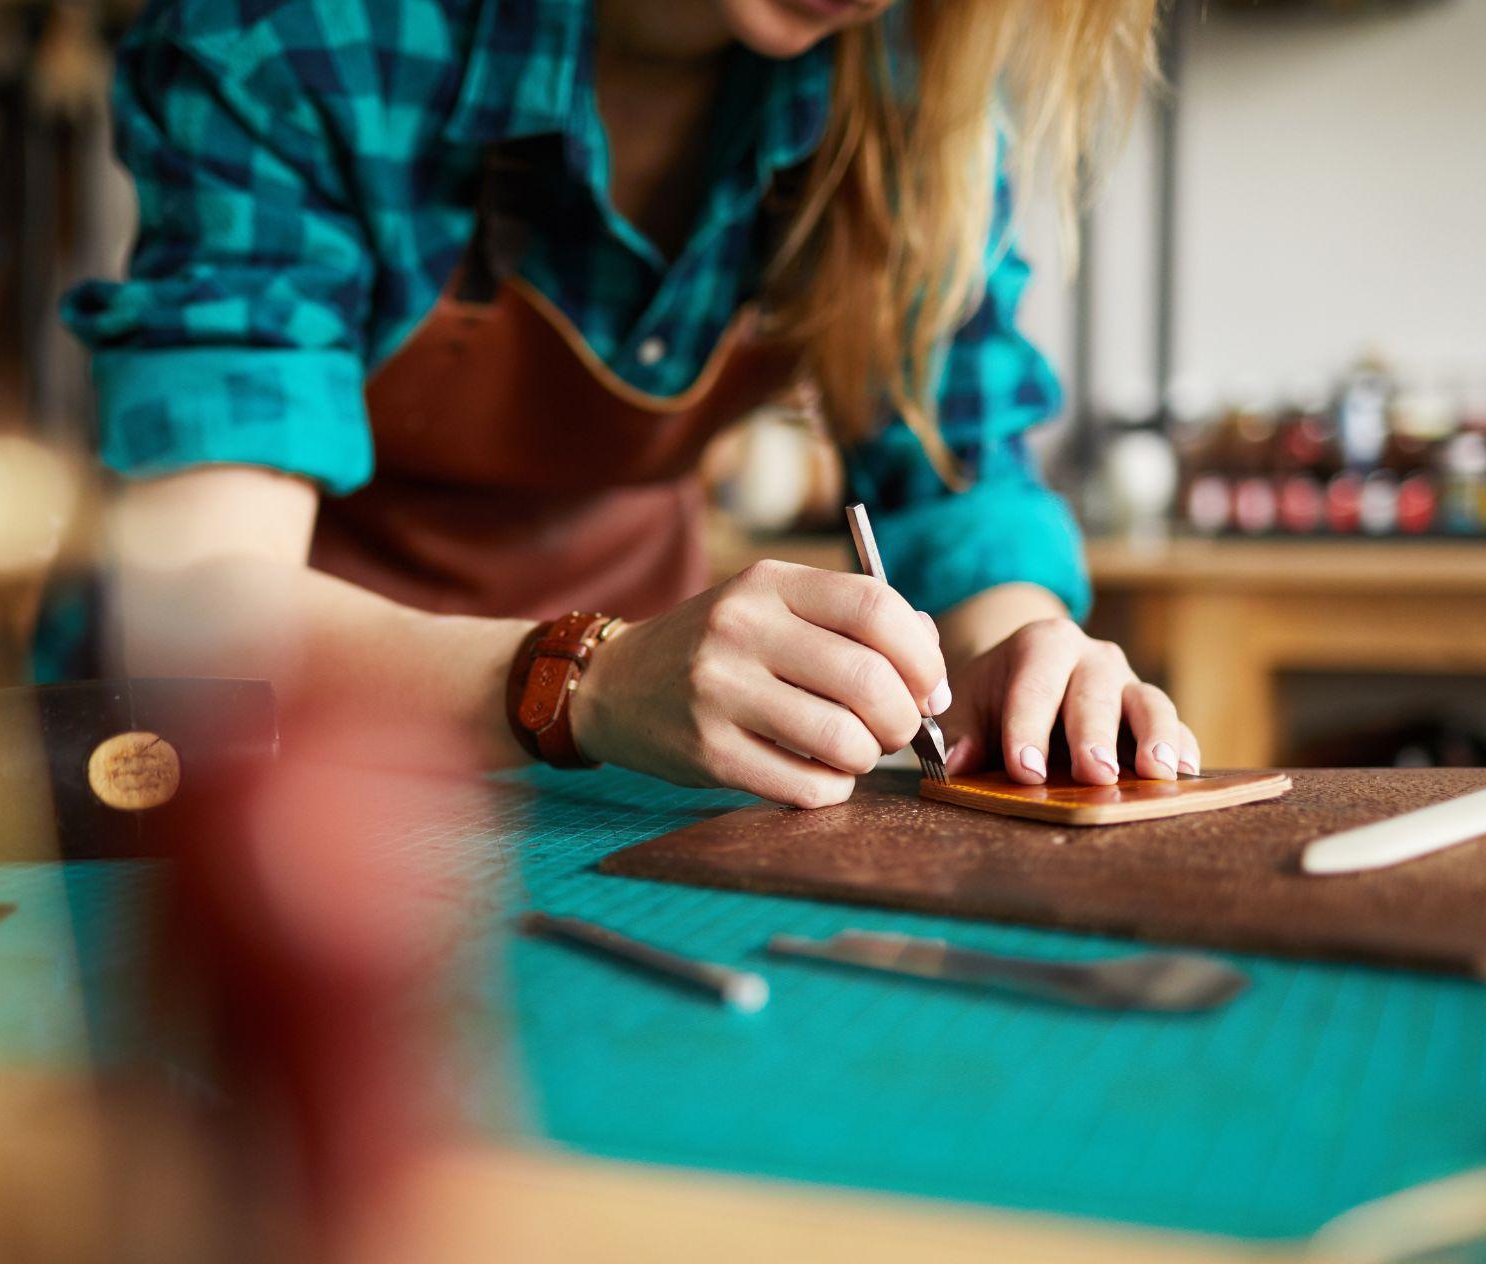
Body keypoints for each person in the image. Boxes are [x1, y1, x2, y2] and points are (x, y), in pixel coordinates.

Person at [60, 0, 1198, 807]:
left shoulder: (906, 78)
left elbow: (957, 472)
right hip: (249, 788)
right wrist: (582, 678)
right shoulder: (296, 33)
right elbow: (192, 617)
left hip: (617, 797)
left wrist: (1025, 654)